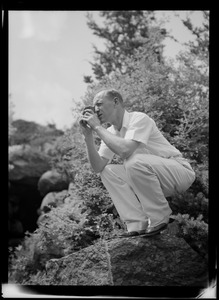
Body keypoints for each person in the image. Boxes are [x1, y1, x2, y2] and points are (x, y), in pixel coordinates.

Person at [79, 89, 196, 237]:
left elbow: (125, 151)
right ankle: (136, 224)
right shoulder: (110, 132)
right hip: (151, 180)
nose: (96, 109)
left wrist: (97, 127)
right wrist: (88, 136)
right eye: (94, 106)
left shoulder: (139, 118)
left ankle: (159, 218)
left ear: (116, 102)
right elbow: (98, 167)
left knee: (133, 161)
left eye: (99, 104)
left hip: (179, 172)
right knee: (108, 171)